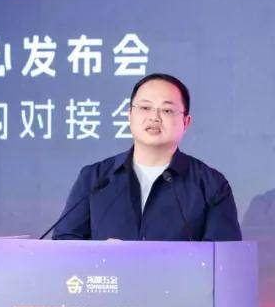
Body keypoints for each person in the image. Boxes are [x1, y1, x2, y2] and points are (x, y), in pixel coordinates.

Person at [51, 73, 242, 241]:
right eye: (145, 107)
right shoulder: (95, 178)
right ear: (129, 115)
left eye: (167, 110)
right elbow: (65, 240)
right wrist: (102, 255)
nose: (154, 117)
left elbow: (223, 257)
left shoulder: (211, 185)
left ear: (186, 122)